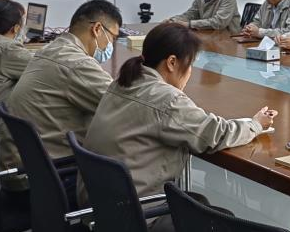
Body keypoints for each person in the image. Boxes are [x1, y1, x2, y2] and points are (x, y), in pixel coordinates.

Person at [83, 22, 277, 203]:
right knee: (217, 217)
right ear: (172, 62)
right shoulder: (166, 99)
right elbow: (214, 135)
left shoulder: (122, 82)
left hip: (98, 202)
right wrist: (256, 124)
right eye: (190, 64)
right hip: (134, 211)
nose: (190, 71)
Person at [0, 0, 123, 186]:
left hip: (21, 168)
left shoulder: (51, 49)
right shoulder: (76, 63)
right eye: (113, 37)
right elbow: (126, 105)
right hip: (46, 177)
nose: (111, 44)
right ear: (97, 29)